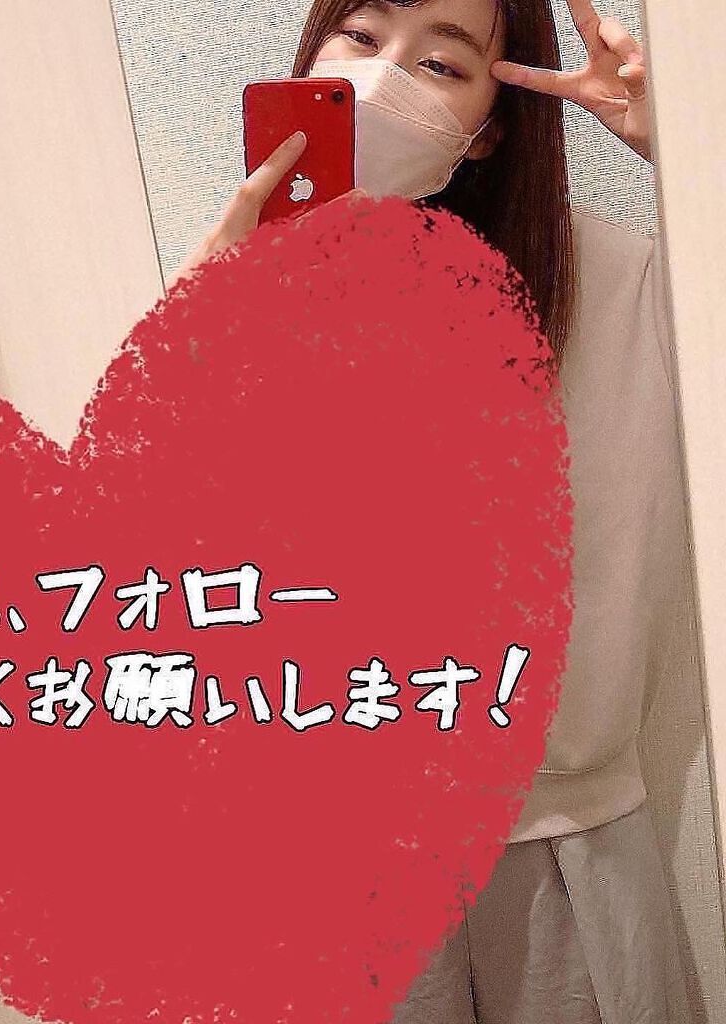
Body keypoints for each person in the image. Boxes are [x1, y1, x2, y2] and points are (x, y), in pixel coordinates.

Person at [175, 2, 698, 1022]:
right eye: (363, 38)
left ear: (492, 124)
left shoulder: (618, 283)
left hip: (562, 853)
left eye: (442, 63)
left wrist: (688, 154)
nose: (382, 80)